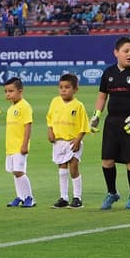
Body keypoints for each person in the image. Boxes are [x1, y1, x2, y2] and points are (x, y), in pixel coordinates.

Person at [93, 36, 130, 210]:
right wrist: (96, 115)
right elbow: (102, 96)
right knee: (107, 160)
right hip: (112, 122)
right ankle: (112, 193)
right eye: (126, 51)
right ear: (116, 52)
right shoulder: (108, 73)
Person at [48, 73, 89, 208]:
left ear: (75, 89)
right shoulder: (55, 102)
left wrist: (78, 140)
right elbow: (50, 119)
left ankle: (77, 197)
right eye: (61, 87)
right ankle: (63, 198)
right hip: (58, 141)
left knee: (74, 168)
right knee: (62, 168)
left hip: (73, 141)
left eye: (67, 87)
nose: (63, 90)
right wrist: (50, 131)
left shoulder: (78, 106)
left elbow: (84, 125)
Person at [3, 77, 36, 208]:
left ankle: (30, 197)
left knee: (19, 171)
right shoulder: (11, 108)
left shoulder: (24, 106)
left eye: (11, 91)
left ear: (20, 91)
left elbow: (28, 126)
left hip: (19, 146)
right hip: (11, 147)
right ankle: (20, 196)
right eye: (6, 91)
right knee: (15, 172)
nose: (8, 94)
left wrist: (25, 144)